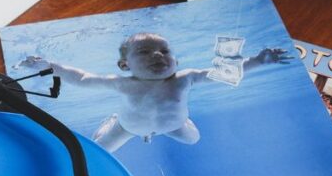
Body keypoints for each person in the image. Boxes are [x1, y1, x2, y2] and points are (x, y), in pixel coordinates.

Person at [21, 32, 289, 153]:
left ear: (177, 61)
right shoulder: (124, 83)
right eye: (145, 52)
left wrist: (258, 60)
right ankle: (111, 122)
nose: (158, 55)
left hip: (172, 126)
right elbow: (82, 78)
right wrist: (50, 66)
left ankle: (183, 120)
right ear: (125, 65)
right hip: (128, 127)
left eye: (164, 51)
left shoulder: (185, 78)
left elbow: (224, 73)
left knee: (194, 140)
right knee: (100, 150)